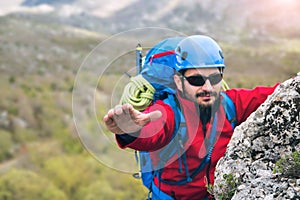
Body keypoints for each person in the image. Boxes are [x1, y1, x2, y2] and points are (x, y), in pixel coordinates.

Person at [103, 35, 281, 199]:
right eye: (196, 80)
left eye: (215, 78)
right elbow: (153, 131)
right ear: (179, 81)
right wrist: (132, 131)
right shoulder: (169, 111)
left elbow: (277, 94)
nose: (208, 87)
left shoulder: (230, 104)